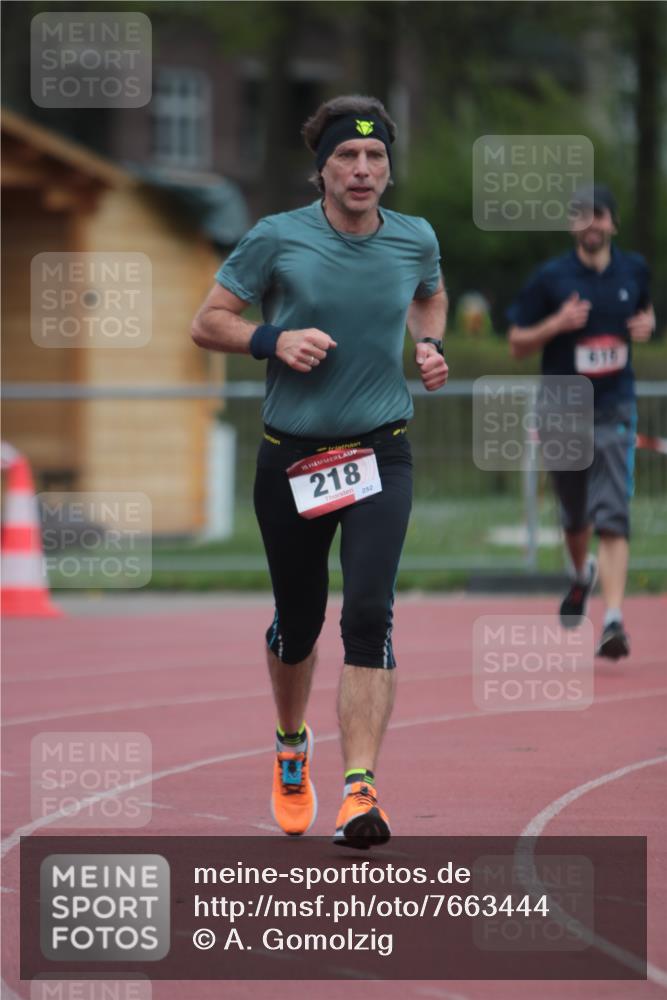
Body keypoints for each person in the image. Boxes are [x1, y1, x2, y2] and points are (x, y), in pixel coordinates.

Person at [191, 95, 448, 847]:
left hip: (379, 451)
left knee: (368, 610)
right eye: (347, 157)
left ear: (388, 171)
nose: (362, 169)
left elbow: (428, 297)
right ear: (321, 170)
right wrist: (271, 339)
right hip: (293, 457)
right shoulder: (275, 239)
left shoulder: (415, 239)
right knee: (298, 625)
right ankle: (289, 742)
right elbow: (207, 321)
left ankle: (360, 791)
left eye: (374, 158)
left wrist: (430, 347)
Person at [507, 184, 655, 659]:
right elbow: (516, 343)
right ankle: (579, 575)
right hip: (562, 407)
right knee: (576, 515)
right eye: (582, 216)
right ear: (572, 225)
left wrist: (648, 326)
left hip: (615, 405)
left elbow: (647, 313)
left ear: (612, 223)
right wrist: (557, 324)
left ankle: (613, 620)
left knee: (612, 510)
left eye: (599, 216)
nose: (591, 224)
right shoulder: (550, 278)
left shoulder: (634, 269)